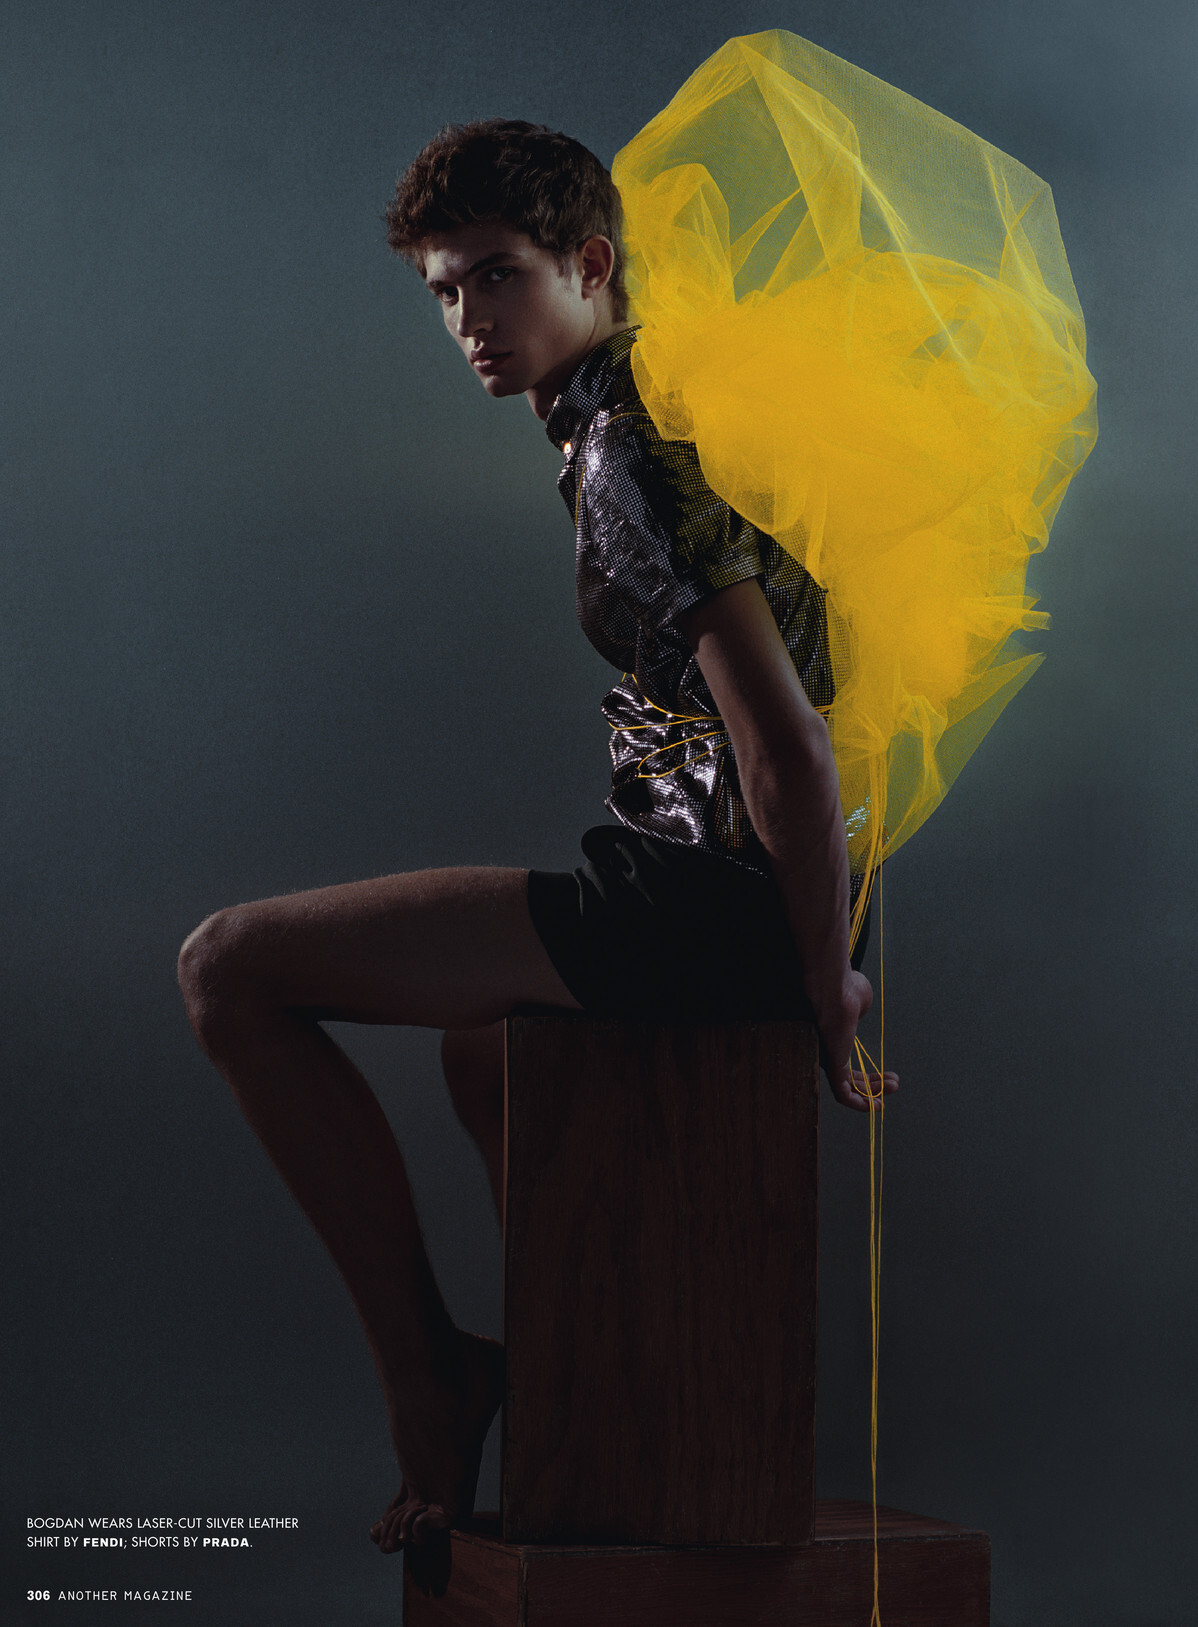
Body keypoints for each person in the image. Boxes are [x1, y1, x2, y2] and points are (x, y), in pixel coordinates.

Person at [176, 116, 893, 1576]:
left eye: (499, 276)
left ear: (590, 263)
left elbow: (788, 748)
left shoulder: (630, 449)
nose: (470, 321)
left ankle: (430, 1378)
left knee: (226, 969)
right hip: (720, 884)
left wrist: (827, 988)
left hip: (717, 902)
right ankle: (585, 1383)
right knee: (478, 1049)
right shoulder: (635, 405)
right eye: (444, 291)